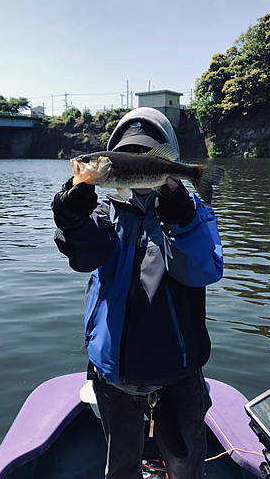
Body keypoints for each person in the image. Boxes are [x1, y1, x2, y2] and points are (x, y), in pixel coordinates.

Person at [51, 107, 223, 479]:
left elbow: (205, 269)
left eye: (147, 152)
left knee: (185, 466)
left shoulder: (193, 214)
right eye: (129, 151)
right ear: (111, 160)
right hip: (113, 375)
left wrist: (182, 218)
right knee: (120, 466)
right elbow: (84, 256)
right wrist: (71, 219)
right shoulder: (101, 213)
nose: (139, 158)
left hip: (178, 372)